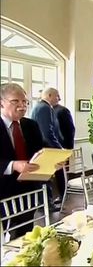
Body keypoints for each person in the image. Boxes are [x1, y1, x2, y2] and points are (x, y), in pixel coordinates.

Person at [0, 83, 44, 239]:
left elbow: (41, 151)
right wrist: (13, 165)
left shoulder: (30, 125)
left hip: (28, 187)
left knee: (25, 233)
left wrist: (53, 161)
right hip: (3, 188)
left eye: (25, 102)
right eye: (16, 101)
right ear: (1, 102)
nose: (22, 106)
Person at [30, 87, 65, 207]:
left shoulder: (39, 107)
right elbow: (47, 132)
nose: (59, 99)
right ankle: (47, 204)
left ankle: (46, 203)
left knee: (44, 178)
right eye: (57, 96)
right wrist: (60, 149)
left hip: (42, 147)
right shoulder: (44, 108)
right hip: (46, 149)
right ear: (49, 95)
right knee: (45, 178)